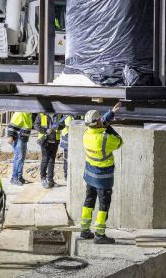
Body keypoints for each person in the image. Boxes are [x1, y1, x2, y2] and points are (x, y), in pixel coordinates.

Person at [80, 101, 123, 244]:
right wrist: (109, 126)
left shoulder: (86, 133)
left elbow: (100, 124)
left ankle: (84, 230)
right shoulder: (105, 138)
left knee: (89, 200)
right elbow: (119, 142)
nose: (101, 121)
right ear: (97, 122)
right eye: (100, 119)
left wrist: (111, 113)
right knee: (104, 205)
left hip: (90, 175)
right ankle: (99, 234)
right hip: (103, 178)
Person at [34, 113, 66, 188]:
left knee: (52, 161)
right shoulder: (41, 114)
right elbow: (36, 125)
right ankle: (43, 178)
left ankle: (50, 180)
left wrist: (59, 126)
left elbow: (63, 125)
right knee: (45, 160)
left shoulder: (58, 115)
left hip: (55, 141)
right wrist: (45, 130)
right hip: (45, 141)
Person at [7, 112, 32, 185]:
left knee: (22, 158)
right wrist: (10, 136)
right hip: (18, 139)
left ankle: (19, 176)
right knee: (18, 157)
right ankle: (14, 178)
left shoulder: (28, 114)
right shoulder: (20, 113)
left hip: (24, 139)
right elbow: (12, 126)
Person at [60, 115, 74, 181]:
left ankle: (69, 175)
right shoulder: (67, 114)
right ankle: (67, 176)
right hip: (67, 137)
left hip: (73, 137)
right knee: (67, 158)